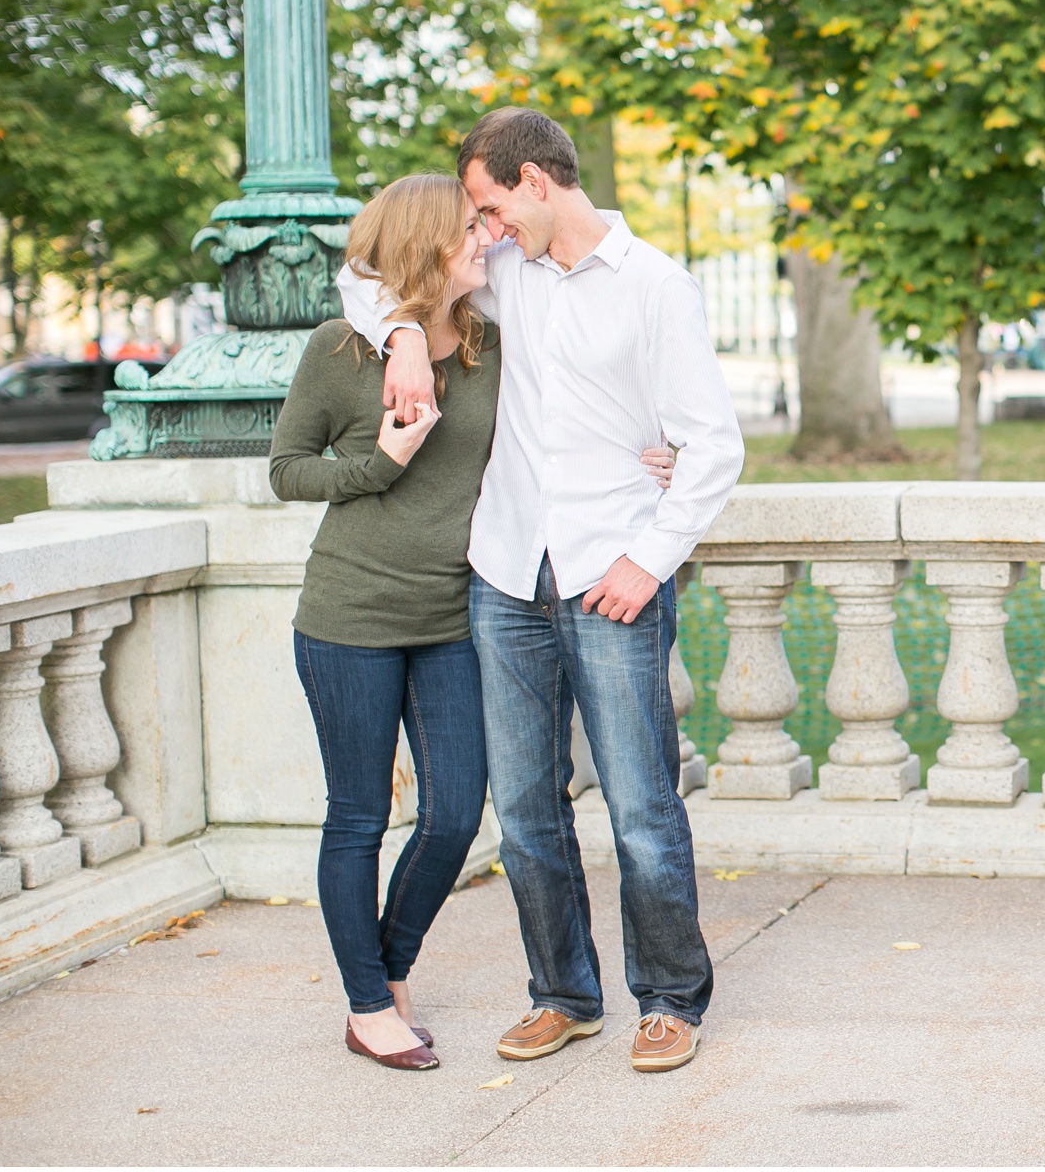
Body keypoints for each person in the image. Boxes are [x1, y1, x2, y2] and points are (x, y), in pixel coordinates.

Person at [338, 108, 745, 1075]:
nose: (481, 227)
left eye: (486, 204)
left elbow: (712, 444)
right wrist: (401, 337)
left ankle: (670, 999)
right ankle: (562, 994)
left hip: (614, 576)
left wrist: (651, 558)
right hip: (508, 573)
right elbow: (361, 273)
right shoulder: (503, 274)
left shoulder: (655, 286)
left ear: (534, 182)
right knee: (524, 808)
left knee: (643, 805)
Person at [276, 174, 675, 1072]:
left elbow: (559, 419)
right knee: (355, 818)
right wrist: (377, 461)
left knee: (458, 814)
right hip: (349, 615)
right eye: (468, 229)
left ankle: (386, 965)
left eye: (487, 221)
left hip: (456, 611)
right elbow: (286, 469)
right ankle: (372, 1002)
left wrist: (652, 453)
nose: (487, 239)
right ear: (426, 247)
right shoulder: (340, 351)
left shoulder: (488, 342)